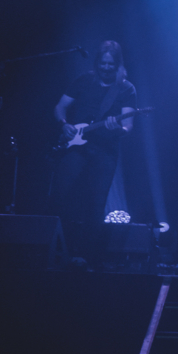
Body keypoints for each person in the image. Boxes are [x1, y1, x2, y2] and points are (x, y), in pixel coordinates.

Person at [51, 41, 138, 264]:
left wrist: (117, 128)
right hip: (77, 146)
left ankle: (87, 258)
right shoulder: (84, 80)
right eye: (103, 63)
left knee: (96, 204)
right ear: (97, 62)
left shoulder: (126, 89)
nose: (106, 68)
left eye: (111, 64)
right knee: (61, 194)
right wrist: (64, 124)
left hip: (105, 151)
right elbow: (60, 106)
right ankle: (59, 251)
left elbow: (128, 127)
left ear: (118, 64)